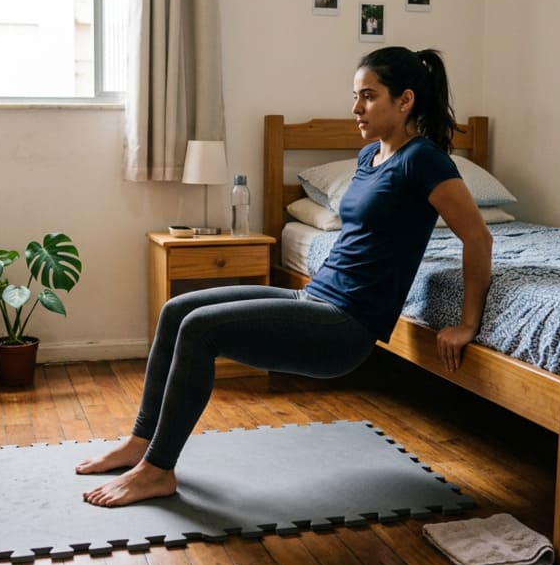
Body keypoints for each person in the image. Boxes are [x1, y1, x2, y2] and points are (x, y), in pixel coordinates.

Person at [77, 47, 494, 507]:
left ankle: (158, 470)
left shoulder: (425, 161)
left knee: (200, 330)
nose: (355, 108)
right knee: (178, 310)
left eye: (368, 97)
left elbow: (478, 237)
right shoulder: (368, 156)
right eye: (355, 96)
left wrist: (467, 322)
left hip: (345, 328)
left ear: (405, 100)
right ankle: (140, 443)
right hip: (314, 300)